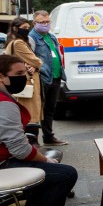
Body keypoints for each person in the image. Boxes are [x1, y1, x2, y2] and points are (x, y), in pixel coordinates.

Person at [0, 54, 78, 206]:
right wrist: (44, 160)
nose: (23, 78)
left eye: (24, 73)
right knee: (64, 174)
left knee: (49, 171)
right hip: (4, 165)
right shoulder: (4, 104)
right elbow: (20, 150)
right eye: (17, 74)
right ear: (2, 77)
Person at [29, 11, 67, 146]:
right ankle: (33, 140)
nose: (45, 25)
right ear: (34, 23)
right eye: (42, 22)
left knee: (50, 109)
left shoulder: (51, 36)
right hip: (42, 78)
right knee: (37, 110)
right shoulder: (31, 38)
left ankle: (48, 137)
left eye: (47, 22)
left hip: (55, 77)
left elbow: (56, 53)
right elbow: (29, 58)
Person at [5, 18, 43, 142]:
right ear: (15, 28)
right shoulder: (18, 43)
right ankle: (32, 144)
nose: (27, 30)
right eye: (24, 28)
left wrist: (30, 66)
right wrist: (35, 64)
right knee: (30, 115)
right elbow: (37, 61)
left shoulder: (11, 42)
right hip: (27, 82)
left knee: (25, 114)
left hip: (22, 82)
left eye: (28, 28)